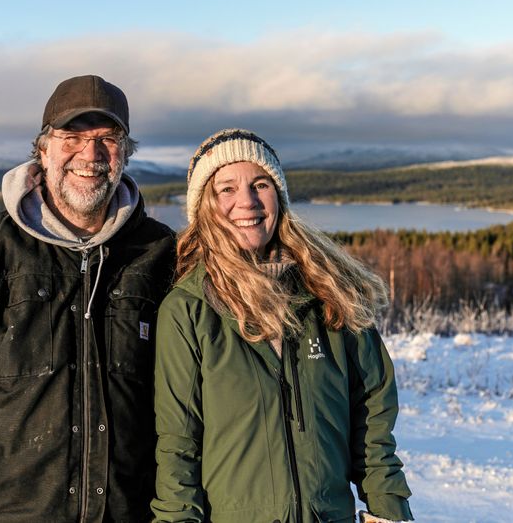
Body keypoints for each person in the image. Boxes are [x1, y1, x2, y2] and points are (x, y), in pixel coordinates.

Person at [0, 75, 176, 522]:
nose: (91, 154)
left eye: (107, 138)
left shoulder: (162, 255)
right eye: (72, 137)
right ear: (42, 150)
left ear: (126, 152)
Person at [152, 129, 413, 523]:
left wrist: (389, 511)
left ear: (279, 195)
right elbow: (177, 449)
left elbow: (373, 424)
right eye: (226, 189)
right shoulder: (189, 311)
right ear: (203, 205)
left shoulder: (331, 294)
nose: (247, 202)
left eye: (261, 184)